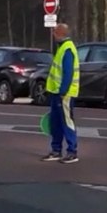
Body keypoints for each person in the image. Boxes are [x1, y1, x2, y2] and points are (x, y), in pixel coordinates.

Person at [42, 23, 79, 164]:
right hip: (56, 92)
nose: (53, 35)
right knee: (56, 122)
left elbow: (68, 73)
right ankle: (56, 150)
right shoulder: (62, 48)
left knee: (67, 122)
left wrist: (63, 91)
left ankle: (72, 151)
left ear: (60, 33)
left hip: (65, 94)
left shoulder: (67, 49)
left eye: (54, 32)